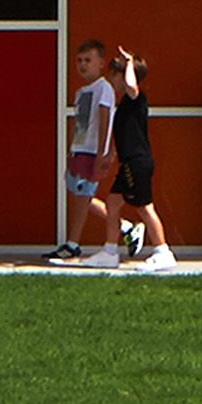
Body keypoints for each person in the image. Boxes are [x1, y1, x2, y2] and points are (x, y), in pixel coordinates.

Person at [87, 47, 177, 271]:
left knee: (145, 208)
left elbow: (131, 86)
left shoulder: (136, 98)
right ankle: (109, 251)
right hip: (128, 162)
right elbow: (127, 135)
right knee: (113, 202)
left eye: (114, 74)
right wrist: (111, 155)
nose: (110, 78)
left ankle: (163, 251)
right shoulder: (126, 105)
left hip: (138, 163)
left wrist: (128, 63)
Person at [47, 38, 116, 263]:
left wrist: (102, 152)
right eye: (79, 60)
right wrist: (71, 150)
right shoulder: (81, 92)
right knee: (81, 195)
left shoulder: (104, 88)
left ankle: (72, 244)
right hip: (79, 150)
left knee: (82, 199)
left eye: (88, 60)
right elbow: (80, 124)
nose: (83, 64)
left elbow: (105, 120)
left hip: (91, 152)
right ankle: (124, 227)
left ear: (101, 63)